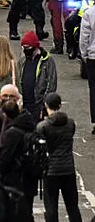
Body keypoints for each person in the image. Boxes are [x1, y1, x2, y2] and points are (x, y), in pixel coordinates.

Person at [36, 93, 82, 222]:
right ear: (60, 105)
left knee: (51, 206)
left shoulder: (43, 127)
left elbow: (40, 148)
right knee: (72, 206)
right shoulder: (70, 124)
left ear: (46, 105)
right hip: (68, 168)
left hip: (51, 170)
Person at [0, 100, 38, 221]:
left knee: (14, 212)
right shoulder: (29, 125)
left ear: (5, 114)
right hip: (30, 176)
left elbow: (6, 157)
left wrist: (0, 173)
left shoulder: (12, 133)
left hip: (15, 178)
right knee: (27, 211)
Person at [16, 30, 58, 120]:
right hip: (24, 103)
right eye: (24, 47)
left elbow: (52, 83)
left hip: (38, 104)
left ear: (35, 46)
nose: (26, 50)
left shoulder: (47, 61)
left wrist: (44, 104)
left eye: (28, 47)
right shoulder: (22, 60)